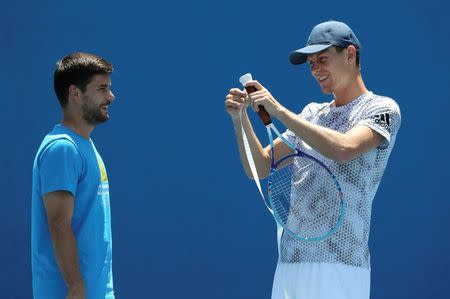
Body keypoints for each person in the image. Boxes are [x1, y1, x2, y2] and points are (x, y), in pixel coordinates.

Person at [225, 20, 401, 299]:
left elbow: (344, 148)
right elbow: (259, 166)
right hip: (290, 263)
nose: (316, 70)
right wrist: (240, 119)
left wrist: (279, 110)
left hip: (342, 267)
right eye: (311, 64)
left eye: (322, 59)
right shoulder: (311, 114)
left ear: (350, 54)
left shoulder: (382, 109)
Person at [31, 52, 116, 299]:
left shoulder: (85, 146)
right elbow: (59, 222)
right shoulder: (62, 148)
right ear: (75, 93)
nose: (111, 96)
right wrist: (76, 287)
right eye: (102, 89)